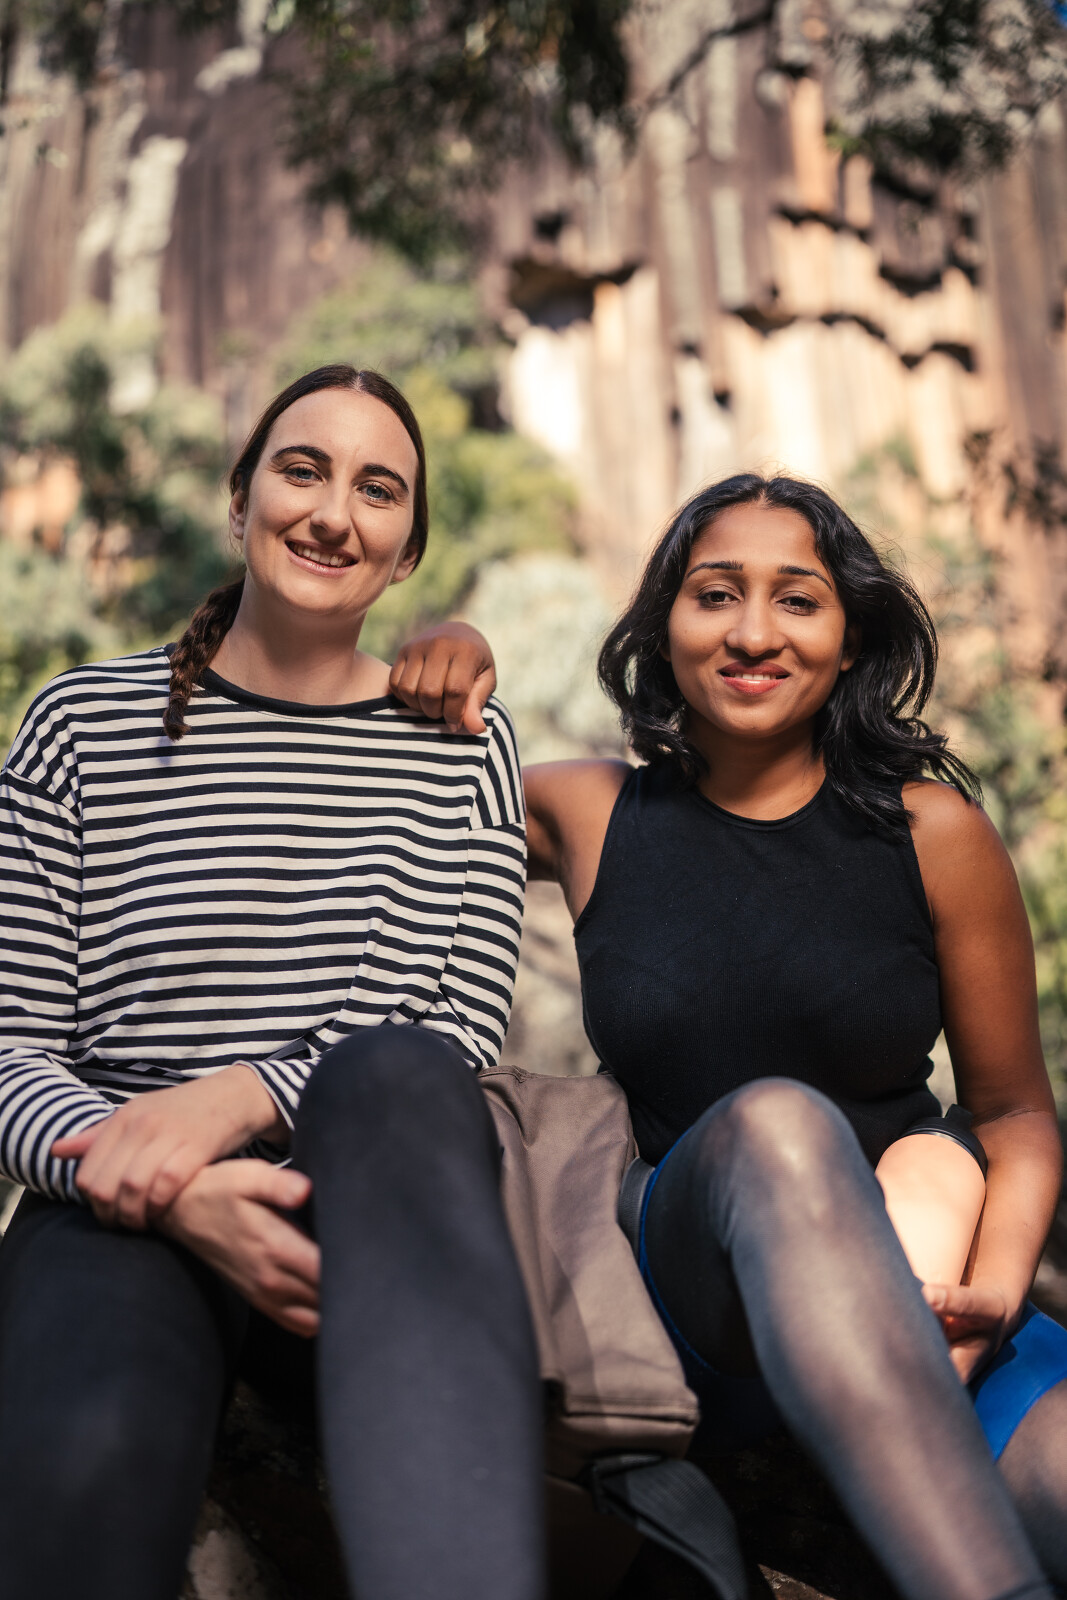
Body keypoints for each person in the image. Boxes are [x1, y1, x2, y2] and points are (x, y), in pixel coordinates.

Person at [392, 473, 1067, 1600]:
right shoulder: (590, 811)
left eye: (797, 599)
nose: (753, 633)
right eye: (714, 594)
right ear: (665, 625)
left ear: (850, 640)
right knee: (774, 1126)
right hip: (688, 1283)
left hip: (924, 1267)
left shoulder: (933, 832)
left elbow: (1012, 1113)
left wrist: (991, 1293)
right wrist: (437, 656)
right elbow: (375, 794)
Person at [0, 365, 546, 1600]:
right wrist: (163, 1180)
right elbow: (9, 1042)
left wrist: (240, 1094)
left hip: (372, 1207)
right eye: (302, 470)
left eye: (378, 490)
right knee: (84, 1473)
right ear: (238, 496)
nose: (333, 513)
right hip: (117, 1206)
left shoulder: (462, 746)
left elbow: (458, 1026)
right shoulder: (81, 725)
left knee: (399, 1072)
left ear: (407, 553)